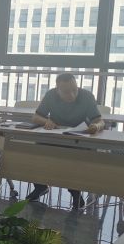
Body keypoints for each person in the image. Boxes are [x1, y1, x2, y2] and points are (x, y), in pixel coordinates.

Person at [26, 73, 105, 209]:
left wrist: (96, 126)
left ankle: (75, 192)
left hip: (78, 139)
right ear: (57, 90)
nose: (72, 95)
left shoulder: (87, 96)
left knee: (74, 158)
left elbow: (99, 120)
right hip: (55, 137)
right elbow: (36, 117)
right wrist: (46, 121)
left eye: (74, 90)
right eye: (66, 92)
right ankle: (40, 186)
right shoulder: (51, 95)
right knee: (35, 152)